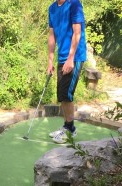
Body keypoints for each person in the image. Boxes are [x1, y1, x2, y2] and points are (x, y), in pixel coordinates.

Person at [46, 0, 87, 144]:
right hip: (61, 57)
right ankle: (67, 126)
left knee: (66, 94)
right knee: (61, 94)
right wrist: (50, 60)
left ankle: (71, 130)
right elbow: (52, 36)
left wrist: (70, 59)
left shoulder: (74, 4)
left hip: (74, 57)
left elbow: (77, 33)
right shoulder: (52, 8)